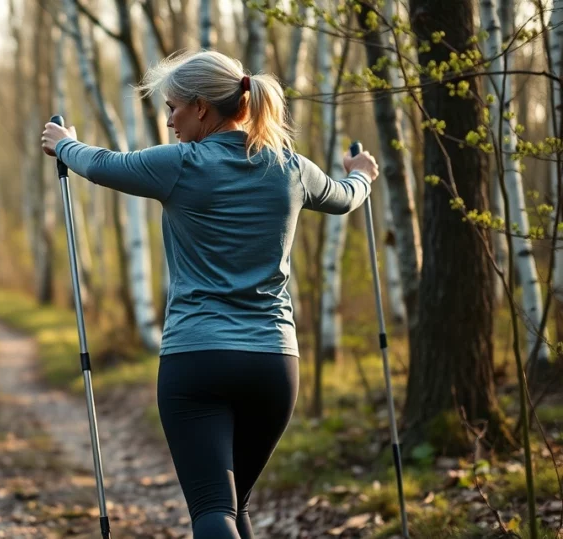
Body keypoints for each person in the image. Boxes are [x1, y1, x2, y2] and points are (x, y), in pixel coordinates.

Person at [40, 50, 379, 539]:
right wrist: (363, 173)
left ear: (201, 107)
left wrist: (64, 144)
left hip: (196, 359)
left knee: (212, 509)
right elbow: (345, 197)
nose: (170, 119)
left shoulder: (180, 165)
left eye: (174, 106)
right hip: (273, 365)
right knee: (234, 506)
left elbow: (102, 164)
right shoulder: (290, 168)